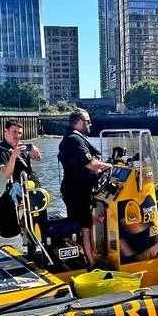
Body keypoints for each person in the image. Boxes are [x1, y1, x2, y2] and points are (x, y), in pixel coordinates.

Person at [58, 109, 112, 266]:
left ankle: (88, 257)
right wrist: (109, 165)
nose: (90, 124)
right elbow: (90, 163)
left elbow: (85, 167)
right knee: (85, 228)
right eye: (88, 122)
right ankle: (91, 263)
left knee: (85, 223)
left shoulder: (72, 138)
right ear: (80, 122)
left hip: (77, 190)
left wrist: (100, 169)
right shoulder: (74, 140)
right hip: (77, 192)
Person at [0, 119, 42, 185]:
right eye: (14, 132)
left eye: (19, 133)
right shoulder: (2, 151)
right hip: (16, 185)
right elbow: (7, 175)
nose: (17, 135)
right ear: (6, 132)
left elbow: (38, 159)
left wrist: (36, 152)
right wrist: (13, 156)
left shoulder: (23, 146)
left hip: (30, 182)